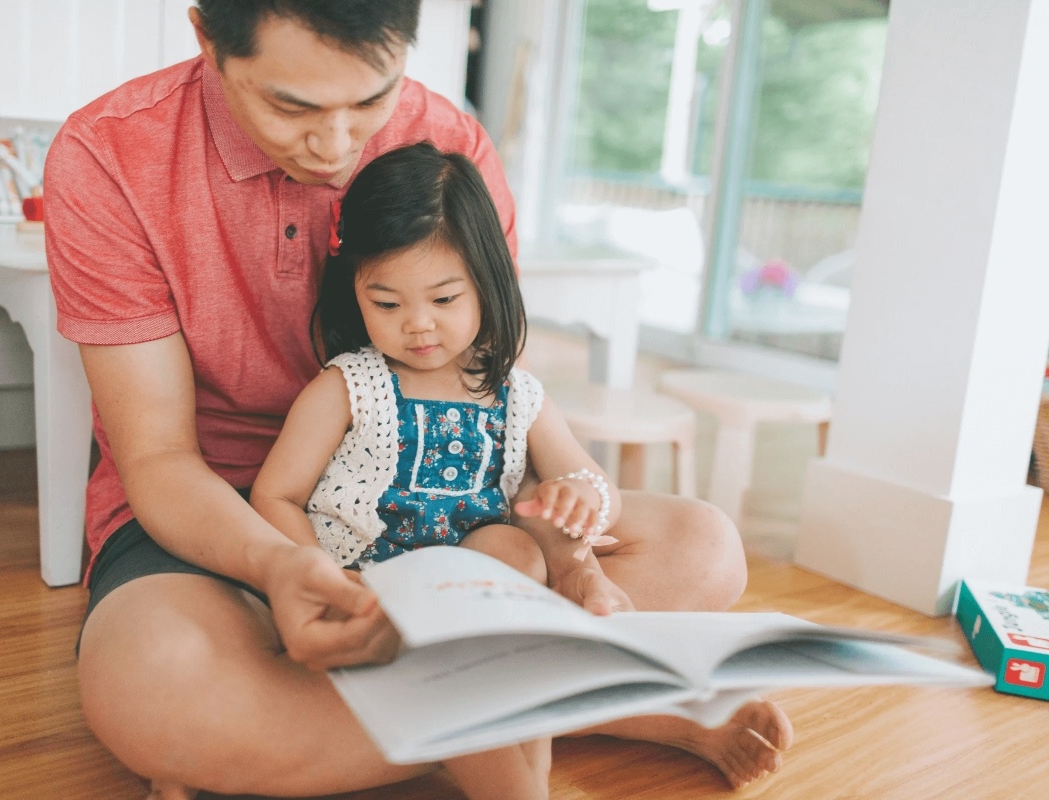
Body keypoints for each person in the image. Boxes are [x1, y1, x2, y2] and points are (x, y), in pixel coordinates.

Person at [43, 2, 790, 798]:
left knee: (705, 548)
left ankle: (343, 733)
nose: (337, 148)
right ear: (206, 37)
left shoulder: (450, 147)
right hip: (215, 513)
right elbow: (157, 459)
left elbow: (493, 398)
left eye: (371, 100)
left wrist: (568, 539)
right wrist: (283, 563)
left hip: (445, 532)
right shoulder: (110, 155)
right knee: (154, 686)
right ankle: (600, 701)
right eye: (291, 106)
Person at [251, 142, 622, 799]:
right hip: (370, 590)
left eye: (444, 298)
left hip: (468, 606)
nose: (417, 325)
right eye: (387, 303)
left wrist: (577, 495)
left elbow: (594, 483)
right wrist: (321, 577)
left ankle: (503, 726)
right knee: (492, 687)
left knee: (515, 544)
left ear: (486, 282)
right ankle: (509, 771)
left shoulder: (514, 391)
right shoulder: (350, 386)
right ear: (355, 293)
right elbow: (275, 494)